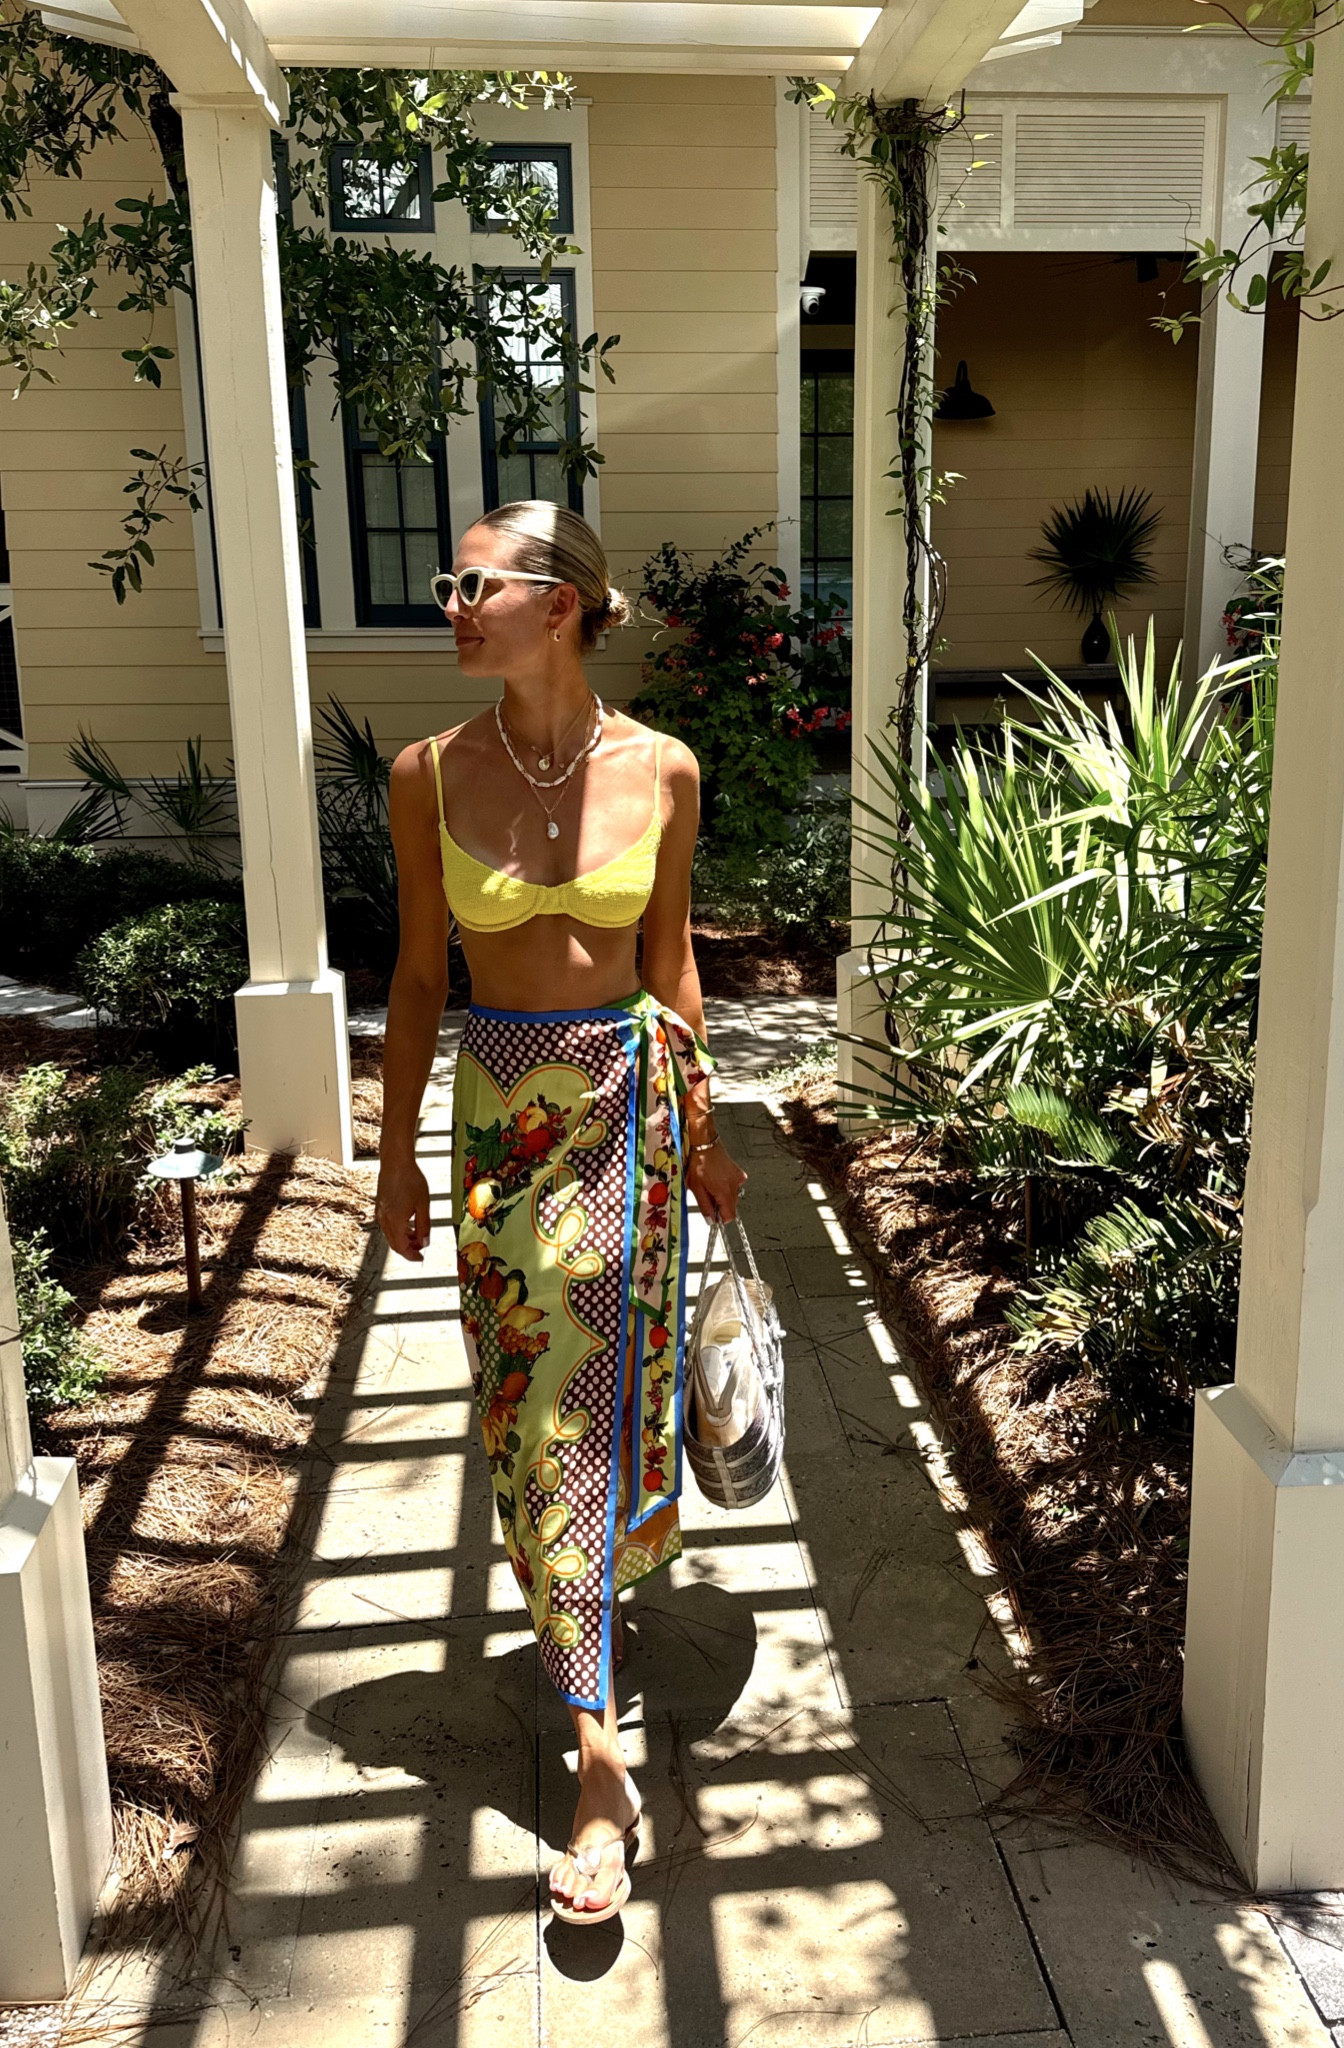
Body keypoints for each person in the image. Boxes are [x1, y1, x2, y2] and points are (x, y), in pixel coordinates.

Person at [375, 499, 747, 1928]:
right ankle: (589, 1657)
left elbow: (672, 964)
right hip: (501, 1131)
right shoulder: (426, 775)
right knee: (530, 1413)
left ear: (563, 602)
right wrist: (394, 1155)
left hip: (628, 1121)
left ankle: (600, 1764)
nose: (452, 606)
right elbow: (420, 977)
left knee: (600, 1412)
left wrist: (706, 1132)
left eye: (475, 583)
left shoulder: (664, 769)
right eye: (450, 583)